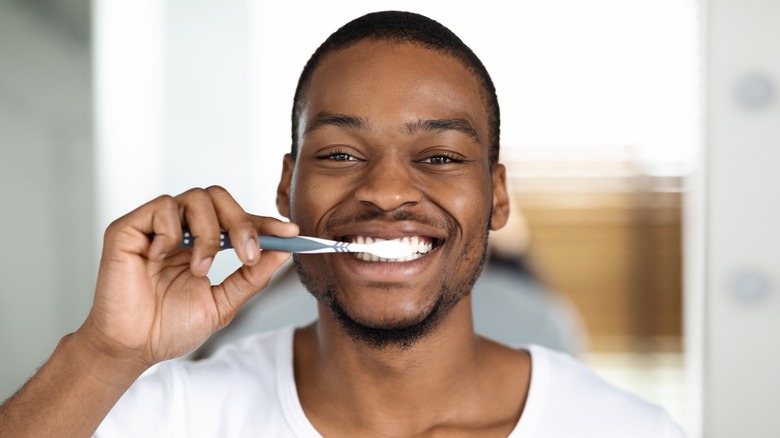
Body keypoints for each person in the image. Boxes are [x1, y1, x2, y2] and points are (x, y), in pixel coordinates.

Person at [0, 11, 685, 437]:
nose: (387, 191)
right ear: (285, 189)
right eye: (339, 154)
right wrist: (105, 352)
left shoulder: (627, 431)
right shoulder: (173, 418)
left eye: (440, 155)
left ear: (497, 197)